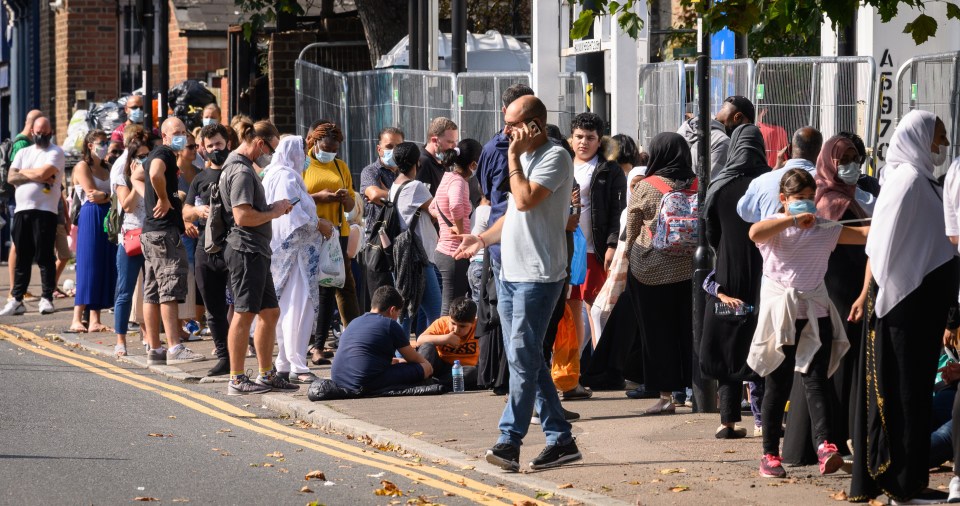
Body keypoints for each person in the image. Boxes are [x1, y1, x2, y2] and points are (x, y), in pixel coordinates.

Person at [456, 95, 580, 471]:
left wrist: (513, 156)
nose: (506, 131)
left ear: (535, 125)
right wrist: (481, 239)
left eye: (512, 125)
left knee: (524, 360)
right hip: (511, 273)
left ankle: (509, 441)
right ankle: (561, 439)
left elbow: (526, 200)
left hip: (539, 276)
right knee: (525, 358)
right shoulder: (523, 158)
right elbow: (512, 216)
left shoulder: (556, 156)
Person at [850, 110, 957, 504]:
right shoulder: (907, 181)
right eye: (937, 139)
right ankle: (899, 484)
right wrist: (878, 294)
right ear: (918, 138)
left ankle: (910, 481)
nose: (942, 147)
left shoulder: (922, 180)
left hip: (920, 311)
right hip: (903, 309)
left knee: (914, 398)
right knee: (904, 397)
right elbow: (881, 244)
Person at [746, 168, 866, 479]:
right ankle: (770, 454)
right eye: (800, 200)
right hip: (782, 316)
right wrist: (791, 219)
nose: (807, 206)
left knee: (816, 381)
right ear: (784, 200)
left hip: (816, 313)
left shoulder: (825, 229)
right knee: (778, 384)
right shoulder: (775, 228)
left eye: (811, 199)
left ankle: (825, 446)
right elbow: (754, 233)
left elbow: (864, 235)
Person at [782, 135, 872, 465]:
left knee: (823, 367)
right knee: (833, 366)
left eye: (854, 156)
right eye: (843, 157)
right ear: (829, 161)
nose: (850, 163)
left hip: (836, 293)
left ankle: (813, 444)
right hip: (838, 293)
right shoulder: (832, 201)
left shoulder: (838, 197)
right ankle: (832, 441)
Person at [700, 124, 769, 439]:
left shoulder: (720, 184)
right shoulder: (767, 183)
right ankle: (761, 420)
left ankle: (727, 420)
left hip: (728, 266)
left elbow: (711, 231)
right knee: (760, 340)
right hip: (763, 268)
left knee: (728, 338)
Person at [220, 119, 298, 395]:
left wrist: (271, 209)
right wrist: (274, 212)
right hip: (245, 250)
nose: (271, 156)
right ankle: (237, 378)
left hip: (257, 249)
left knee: (270, 311)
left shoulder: (244, 167)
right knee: (244, 313)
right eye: (271, 149)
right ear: (259, 143)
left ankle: (266, 374)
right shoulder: (241, 172)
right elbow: (242, 216)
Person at [623, 132, 697, 416]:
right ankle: (692, 390)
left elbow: (632, 229)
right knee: (688, 331)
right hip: (691, 270)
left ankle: (666, 396)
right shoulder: (697, 183)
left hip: (651, 271)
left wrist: (630, 256)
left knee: (657, 334)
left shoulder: (646, 186)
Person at [474, 83, 535, 393]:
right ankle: (519, 393)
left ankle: (523, 395)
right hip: (504, 248)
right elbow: (501, 199)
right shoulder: (499, 150)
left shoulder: (543, 154)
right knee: (512, 323)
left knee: (520, 328)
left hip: (525, 248)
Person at [263, 135, 333, 384]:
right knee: (298, 309)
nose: (305, 158)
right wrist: (319, 224)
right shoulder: (287, 177)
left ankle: (285, 361)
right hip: (296, 256)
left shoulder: (275, 173)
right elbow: (292, 215)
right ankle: (297, 364)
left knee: (287, 309)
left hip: (288, 253)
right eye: (303, 152)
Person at [138, 117, 205, 366]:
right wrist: (164, 199)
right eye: (175, 132)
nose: (181, 136)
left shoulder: (163, 153)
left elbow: (145, 174)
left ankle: (155, 348)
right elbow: (155, 173)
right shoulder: (164, 153)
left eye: (183, 132)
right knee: (168, 290)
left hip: (152, 232)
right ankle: (175, 346)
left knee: (153, 292)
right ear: (164, 136)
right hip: (163, 233)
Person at [566, 113, 627, 369]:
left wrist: (612, 244)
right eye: (579, 137)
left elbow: (618, 210)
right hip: (566, 247)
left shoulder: (609, 169)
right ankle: (573, 366)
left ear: (599, 141)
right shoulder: (563, 165)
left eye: (590, 138)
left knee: (597, 310)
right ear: (571, 139)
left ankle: (601, 366)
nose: (583, 142)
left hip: (595, 249)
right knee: (570, 310)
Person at [302, 122, 360, 363]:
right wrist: (318, 197)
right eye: (326, 147)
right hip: (311, 233)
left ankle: (356, 338)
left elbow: (351, 207)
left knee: (343, 286)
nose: (330, 152)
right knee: (320, 290)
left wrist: (345, 198)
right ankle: (316, 345)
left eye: (334, 149)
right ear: (314, 143)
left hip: (337, 233)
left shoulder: (340, 166)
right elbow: (294, 197)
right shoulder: (303, 164)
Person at [183, 123, 233, 376]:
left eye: (219, 145)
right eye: (210, 146)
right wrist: (196, 212)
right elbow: (186, 210)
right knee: (213, 308)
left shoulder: (237, 172)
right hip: (207, 248)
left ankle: (237, 355)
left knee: (238, 305)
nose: (215, 150)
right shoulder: (200, 178)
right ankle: (223, 357)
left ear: (228, 144)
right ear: (203, 148)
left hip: (234, 248)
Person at [0, 116, 63, 316]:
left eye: (45, 132)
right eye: (38, 132)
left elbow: (46, 173)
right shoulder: (24, 151)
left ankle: (47, 297)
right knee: (22, 257)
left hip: (45, 210)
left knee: (44, 256)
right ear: (32, 131)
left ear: (50, 132)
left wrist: (25, 174)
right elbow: (11, 177)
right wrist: (38, 175)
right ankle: (17, 299)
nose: (41, 135)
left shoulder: (56, 152)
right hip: (22, 210)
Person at [331, 286, 434, 393]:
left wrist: (400, 361)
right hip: (364, 383)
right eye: (398, 314)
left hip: (339, 380)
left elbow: (367, 357)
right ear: (392, 310)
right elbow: (415, 359)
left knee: (397, 363)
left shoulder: (354, 322)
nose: (397, 318)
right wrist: (428, 367)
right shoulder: (389, 324)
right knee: (425, 368)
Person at [389, 142, 441, 335]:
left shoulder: (394, 186)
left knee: (406, 310)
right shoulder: (416, 186)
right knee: (435, 312)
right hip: (419, 257)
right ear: (417, 162)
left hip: (402, 255)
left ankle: (401, 355)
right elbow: (436, 211)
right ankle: (432, 355)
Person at [69, 129, 117, 333]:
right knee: (88, 265)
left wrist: (106, 195)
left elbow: (109, 194)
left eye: (106, 141)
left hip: (107, 216)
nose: (104, 145)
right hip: (91, 216)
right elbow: (91, 194)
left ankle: (95, 319)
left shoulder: (108, 167)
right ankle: (76, 318)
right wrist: (109, 195)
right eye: (100, 142)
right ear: (90, 145)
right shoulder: (82, 166)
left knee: (103, 264)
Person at [431, 139, 482, 315]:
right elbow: (454, 206)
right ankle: (440, 342)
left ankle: (443, 341)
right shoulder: (459, 182)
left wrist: (448, 225)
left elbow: (433, 207)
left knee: (448, 305)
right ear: (473, 164)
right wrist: (460, 231)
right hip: (454, 252)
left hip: (444, 250)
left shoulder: (447, 177)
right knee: (450, 309)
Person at [112, 140, 150, 357]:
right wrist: (136, 182)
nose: (144, 160)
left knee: (151, 292)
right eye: (140, 156)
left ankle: (149, 336)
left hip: (152, 236)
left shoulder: (153, 176)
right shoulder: (122, 178)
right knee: (125, 291)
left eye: (147, 155)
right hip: (131, 238)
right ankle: (121, 340)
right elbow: (126, 205)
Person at [359, 126, 404, 299]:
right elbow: (375, 195)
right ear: (379, 149)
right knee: (381, 299)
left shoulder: (404, 172)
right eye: (389, 146)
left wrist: (389, 194)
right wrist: (399, 194)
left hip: (400, 242)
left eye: (398, 146)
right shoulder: (371, 172)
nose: (393, 151)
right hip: (377, 243)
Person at [4, 109, 44, 300]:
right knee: (17, 245)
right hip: (17, 201)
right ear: (33, 124)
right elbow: (15, 174)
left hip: (28, 201)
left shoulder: (28, 143)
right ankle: (14, 289)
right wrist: (38, 175)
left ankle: (20, 288)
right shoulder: (21, 143)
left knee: (23, 245)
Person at [416, 296, 480, 389]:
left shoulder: (478, 327)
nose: (456, 329)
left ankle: (434, 383)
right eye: (453, 323)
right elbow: (420, 340)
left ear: (473, 322)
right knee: (427, 346)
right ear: (449, 318)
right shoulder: (442, 323)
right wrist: (445, 339)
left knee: (475, 372)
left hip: (463, 369)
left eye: (462, 326)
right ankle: (421, 378)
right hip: (440, 365)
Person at [677, 112, 730, 178]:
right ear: (737, 117)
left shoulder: (687, 127)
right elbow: (710, 181)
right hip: (693, 185)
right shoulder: (723, 140)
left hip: (677, 183)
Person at [418, 117, 459, 197]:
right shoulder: (423, 162)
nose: (454, 146)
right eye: (450, 142)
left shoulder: (443, 161)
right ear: (434, 140)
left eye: (455, 141)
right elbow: (422, 200)